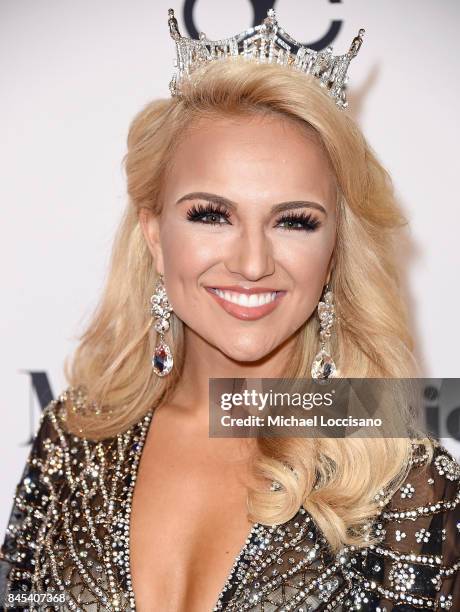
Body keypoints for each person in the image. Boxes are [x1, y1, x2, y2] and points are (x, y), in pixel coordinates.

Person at [1, 8, 459, 612]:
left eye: (294, 221)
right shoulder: (75, 435)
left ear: (337, 248)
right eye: (211, 215)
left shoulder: (400, 480)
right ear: (155, 236)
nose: (251, 263)